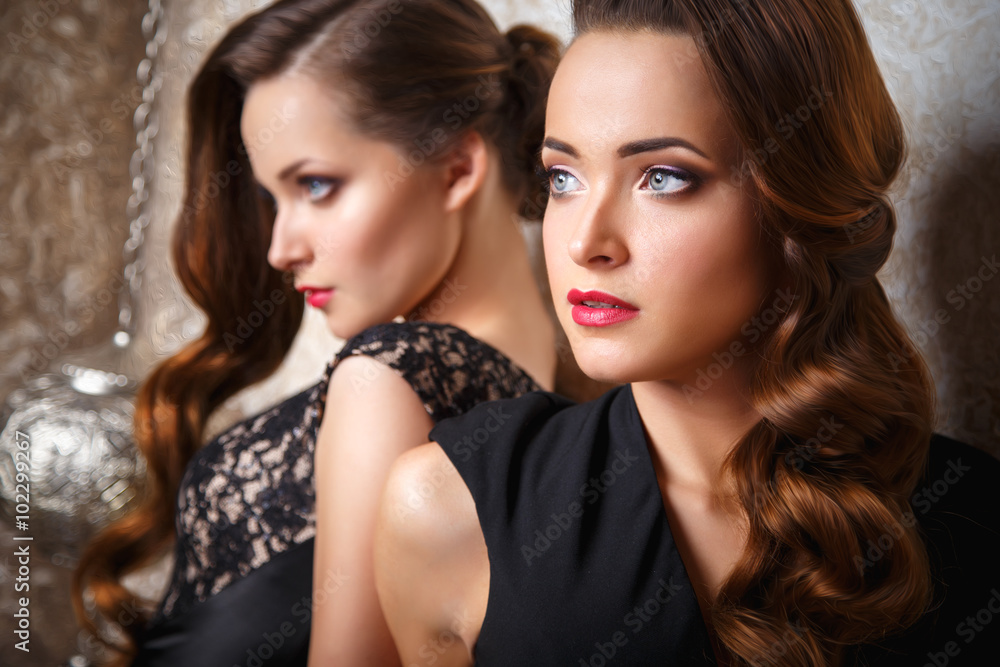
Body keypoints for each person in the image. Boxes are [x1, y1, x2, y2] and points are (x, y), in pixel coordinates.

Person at [375, 0, 1000, 664]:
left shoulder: (971, 520)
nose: (586, 242)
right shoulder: (451, 510)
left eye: (662, 178)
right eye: (563, 177)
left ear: (796, 206)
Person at [72, 0, 562, 664]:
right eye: (273, 198)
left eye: (317, 185)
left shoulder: (386, 380)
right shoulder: (561, 393)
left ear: (457, 169)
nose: (281, 249)